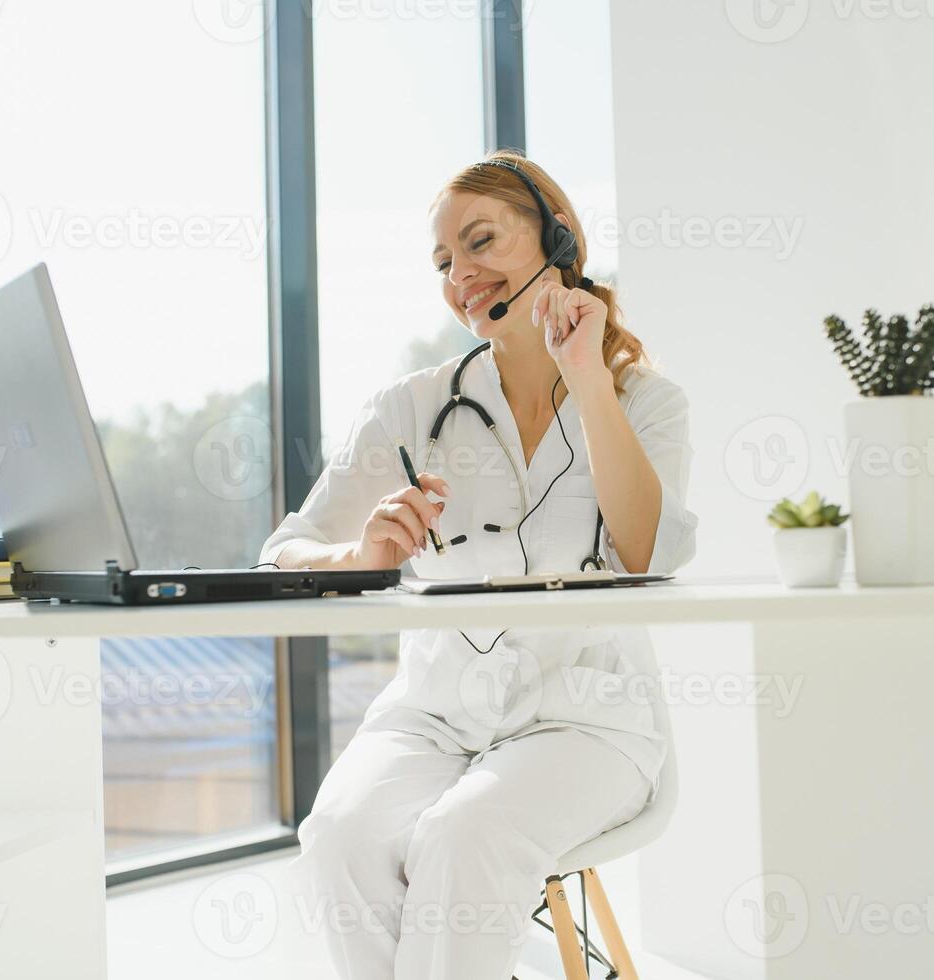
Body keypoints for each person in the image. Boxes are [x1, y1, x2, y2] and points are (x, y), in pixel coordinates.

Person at [259, 150, 697, 979]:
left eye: (480, 241)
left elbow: (649, 550)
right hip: (434, 715)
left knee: (466, 839)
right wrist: (360, 554)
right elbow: (284, 552)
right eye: (442, 262)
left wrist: (587, 382)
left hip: (585, 721)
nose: (460, 275)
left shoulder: (644, 402)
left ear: (557, 239)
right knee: (338, 842)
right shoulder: (413, 406)